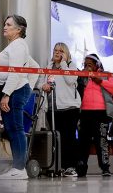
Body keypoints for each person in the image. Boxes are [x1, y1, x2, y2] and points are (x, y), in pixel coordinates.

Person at [0, 14, 31, 180]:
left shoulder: (18, 46)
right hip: (16, 90)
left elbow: (15, 73)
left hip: (15, 91)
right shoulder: (15, 46)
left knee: (16, 129)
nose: (5, 27)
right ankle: (17, 167)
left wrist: (6, 94)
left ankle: (20, 169)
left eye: (9, 24)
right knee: (12, 129)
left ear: (19, 29)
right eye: (4, 24)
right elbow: (33, 66)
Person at [38, 42, 81, 176]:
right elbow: (40, 82)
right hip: (52, 108)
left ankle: (71, 166)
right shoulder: (49, 66)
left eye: (61, 51)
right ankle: (59, 166)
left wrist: (63, 63)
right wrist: (43, 85)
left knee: (69, 138)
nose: (57, 53)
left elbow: (70, 80)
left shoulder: (71, 66)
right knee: (56, 138)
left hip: (69, 108)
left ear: (66, 53)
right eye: (55, 50)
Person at [76, 54, 113, 177]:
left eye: (90, 64)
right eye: (85, 64)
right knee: (83, 142)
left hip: (101, 113)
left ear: (97, 65)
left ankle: (105, 168)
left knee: (102, 142)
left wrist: (99, 81)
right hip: (84, 113)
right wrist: (82, 76)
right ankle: (81, 168)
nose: (87, 67)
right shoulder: (82, 76)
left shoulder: (105, 74)